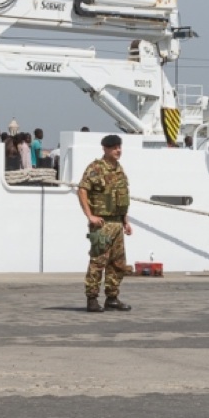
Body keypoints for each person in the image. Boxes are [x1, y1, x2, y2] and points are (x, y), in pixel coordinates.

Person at [78, 134, 132, 313]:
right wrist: (90, 216)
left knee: (117, 263)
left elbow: (121, 197)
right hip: (102, 223)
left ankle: (112, 297)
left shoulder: (119, 169)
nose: (118, 150)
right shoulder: (95, 168)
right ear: (105, 149)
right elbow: (82, 190)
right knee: (98, 262)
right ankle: (92, 299)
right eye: (114, 147)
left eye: (119, 147)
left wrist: (125, 220)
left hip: (117, 223)